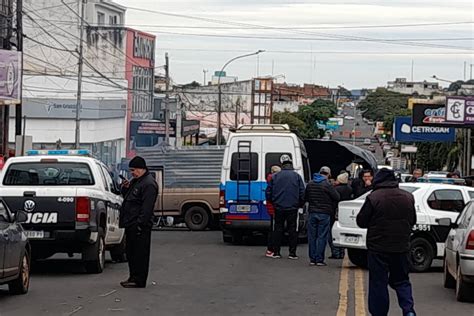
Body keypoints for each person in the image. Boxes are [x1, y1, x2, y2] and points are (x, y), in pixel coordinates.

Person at [356, 168, 417, 316]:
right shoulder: (408, 197)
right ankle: (408, 311)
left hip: (378, 248)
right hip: (401, 246)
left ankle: (379, 313)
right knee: (402, 280)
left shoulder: (374, 197)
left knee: (378, 283)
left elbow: (361, 221)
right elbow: (413, 220)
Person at [119, 156, 158, 288]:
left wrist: (140, 224)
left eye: (133, 170)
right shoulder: (137, 181)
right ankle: (132, 277)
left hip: (140, 225)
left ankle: (139, 280)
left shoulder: (148, 184)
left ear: (141, 169)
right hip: (131, 223)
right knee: (131, 253)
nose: (132, 173)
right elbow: (130, 198)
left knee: (140, 254)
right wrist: (125, 188)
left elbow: (146, 208)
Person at [266, 158, 305, 260]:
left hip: (278, 207)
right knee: (293, 230)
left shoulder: (275, 176)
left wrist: (273, 202)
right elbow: (302, 192)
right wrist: (300, 204)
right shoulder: (297, 176)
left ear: (282, 165)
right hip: (293, 207)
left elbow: (268, 192)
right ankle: (292, 253)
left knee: (278, 229)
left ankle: (277, 252)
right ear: (291, 165)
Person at [305, 166, 340, 266]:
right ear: (328, 174)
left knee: (312, 237)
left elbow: (306, 197)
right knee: (322, 236)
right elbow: (337, 197)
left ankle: (312, 259)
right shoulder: (327, 184)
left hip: (312, 212)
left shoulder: (310, 183)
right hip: (324, 213)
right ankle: (319, 259)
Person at [328, 172, 353, 259]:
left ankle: (335, 252)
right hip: (344, 211)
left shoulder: (336, 189)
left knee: (332, 232)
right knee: (341, 231)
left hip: (335, 211)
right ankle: (342, 252)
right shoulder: (349, 189)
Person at [265, 165, 281, 258]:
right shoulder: (274, 181)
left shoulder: (269, 179)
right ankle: (271, 250)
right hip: (274, 208)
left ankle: (271, 249)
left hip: (271, 207)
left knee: (273, 228)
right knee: (274, 229)